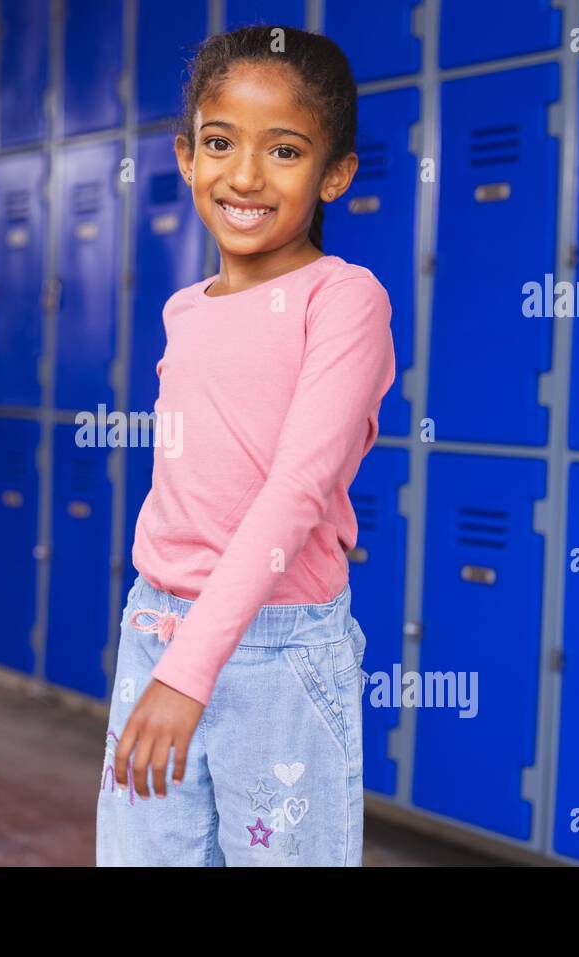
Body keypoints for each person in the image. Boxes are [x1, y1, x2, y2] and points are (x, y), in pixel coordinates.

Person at [95, 24, 396, 866]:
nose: (246, 175)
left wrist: (191, 672)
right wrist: (169, 657)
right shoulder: (184, 309)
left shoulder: (344, 301)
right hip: (156, 627)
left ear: (335, 174)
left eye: (286, 151)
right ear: (187, 154)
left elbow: (296, 492)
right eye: (220, 142)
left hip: (279, 654)